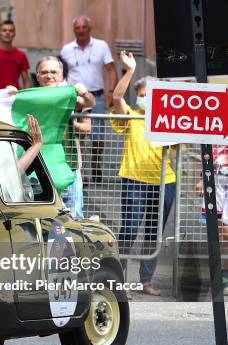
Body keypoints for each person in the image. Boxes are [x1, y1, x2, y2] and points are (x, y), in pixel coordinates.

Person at [111, 50, 176, 296]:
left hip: (165, 182)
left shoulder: (169, 120)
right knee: (129, 229)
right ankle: (119, 281)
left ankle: (146, 281)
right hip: (135, 180)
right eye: (141, 96)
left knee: (154, 232)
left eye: (149, 96)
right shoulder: (131, 116)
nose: (144, 100)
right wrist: (129, 71)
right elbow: (117, 97)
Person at [35, 56, 95, 219]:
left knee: (73, 217)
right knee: (41, 217)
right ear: (37, 76)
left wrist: (83, 92)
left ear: (61, 76)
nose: (49, 76)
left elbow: (90, 102)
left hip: (69, 165)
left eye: (53, 72)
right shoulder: (31, 98)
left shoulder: (68, 96)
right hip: (38, 166)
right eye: (45, 72)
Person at [60, 16, 118, 183]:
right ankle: (82, 170)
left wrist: (112, 91)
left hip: (97, 95)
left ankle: (96, 163)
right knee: (79, 134)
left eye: (84, 27)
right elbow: (61, 72)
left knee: (98, 136)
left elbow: (111, 69)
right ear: (74, 30)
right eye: (77, 28)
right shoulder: (66, 49)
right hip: (75, 96)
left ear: (89, 28)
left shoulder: (101, 46)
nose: (81, 30)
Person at [196, 146, 228, 295]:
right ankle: (221, 277)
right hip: (214, 179)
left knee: (226, 233)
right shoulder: (216, 122)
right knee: (217, 232)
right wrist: (201, 178)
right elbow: (206, 148)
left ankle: (224, 276)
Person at [0, 20, 31, 90]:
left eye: (11, 31)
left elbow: (26, 81)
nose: (7, 33)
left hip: (15, 95)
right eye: (4, 30)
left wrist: (25, 97)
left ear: (14, 34)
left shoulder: (21, 55)